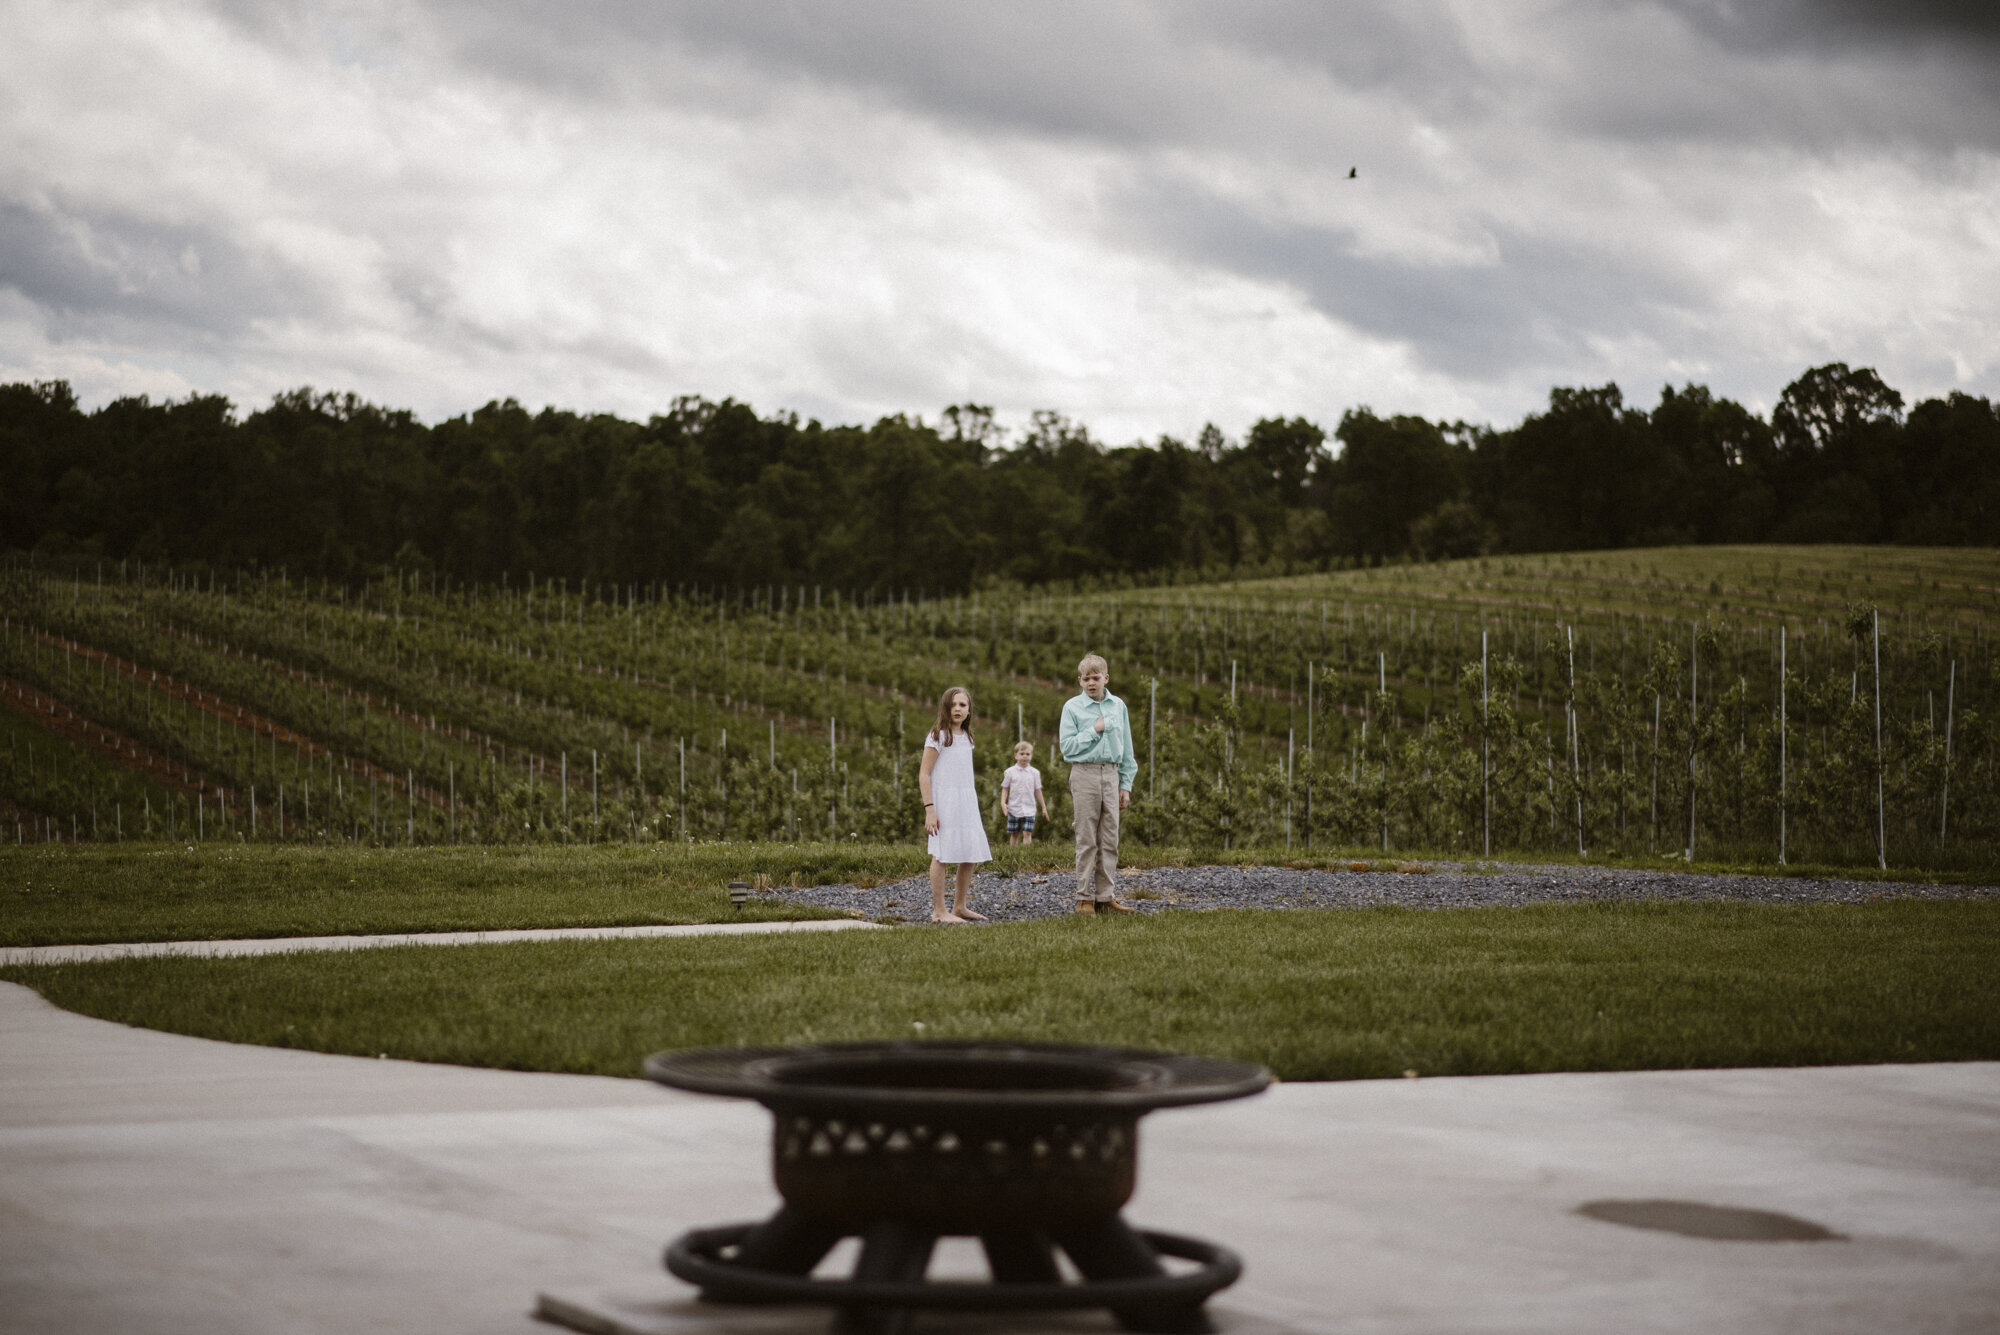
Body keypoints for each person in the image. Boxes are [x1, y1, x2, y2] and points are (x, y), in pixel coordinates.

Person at [1059, 654, 1136, 915]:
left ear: (1106, 678)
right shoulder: (1071, 708)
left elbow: (1126, 749)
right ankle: (1084, 899)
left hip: (1112, 774)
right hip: (1085, 774)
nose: (1091, 682)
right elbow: (1067, 748)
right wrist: (1095, 729)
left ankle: (1105, 898)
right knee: (1086, 837)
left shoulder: (1119, 707)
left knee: (1110, 839)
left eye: (1096, 677)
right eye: (1086, 678)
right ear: (1079, 681)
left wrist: (1125, 784)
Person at [919, 685, 991, 923]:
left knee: (969, 853)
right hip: (944, 802)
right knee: (942, 854)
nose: (958, 709)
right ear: (945, 708)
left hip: (966, 801)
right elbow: (924, 774)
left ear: (969, 710)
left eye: (963, 705)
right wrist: (930, 809)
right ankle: (939, 911)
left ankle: (959, 906)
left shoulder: (967, 737)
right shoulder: (938, 735)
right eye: (953, 705)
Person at [999, 740, 1051, 846]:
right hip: (1014, 807)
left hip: (1030, 808)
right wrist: (1003, 803)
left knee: (1027, 832)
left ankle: (1026, 853)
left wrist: (1044, 807)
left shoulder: (1035, 773)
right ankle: (1012, 854)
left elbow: (1038, 790)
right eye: (1021, 754)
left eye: (1027, 754)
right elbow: (1005, 788)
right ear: (1015, 755)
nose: (1024, 757)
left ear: (1031, 756)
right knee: (1014, 833)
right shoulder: (1009, 772)